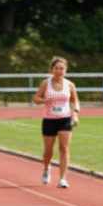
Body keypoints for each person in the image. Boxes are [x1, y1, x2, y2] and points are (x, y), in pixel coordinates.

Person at [32, 56, 79, 188]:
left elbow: (75, 100)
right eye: (56, 68)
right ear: (51, 70)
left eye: (61, 68)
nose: (59, 71)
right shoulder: (45, 84)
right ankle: (46, 168)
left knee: (64, 148)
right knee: (49, 151)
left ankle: (62, 178)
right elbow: (36, 98)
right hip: (49, 119)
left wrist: (75, 114)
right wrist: (43, 101)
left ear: (65, 70)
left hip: (64, 118)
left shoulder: (70, 85)